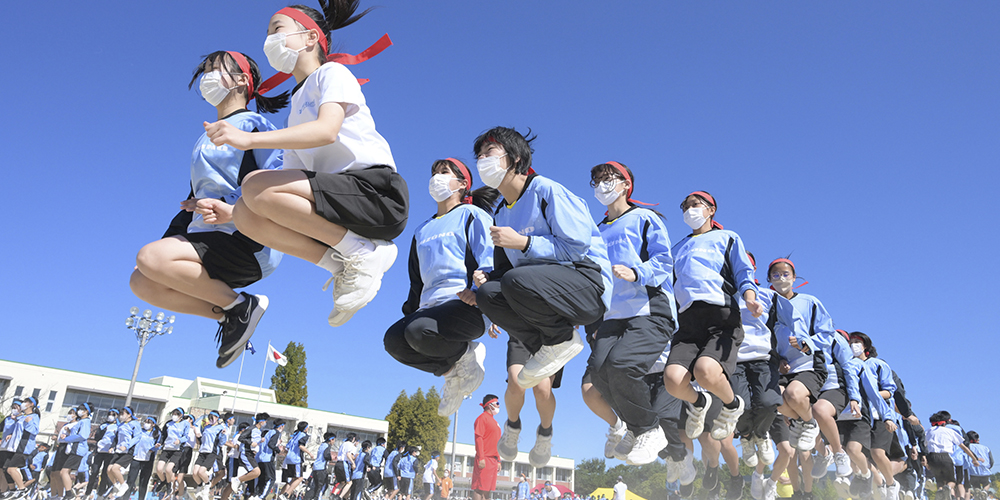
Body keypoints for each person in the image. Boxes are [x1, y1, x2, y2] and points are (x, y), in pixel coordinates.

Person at [207, 0, 407, 328]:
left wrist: (249, 140)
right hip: (337, 204)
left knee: (254, 185)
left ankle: (363, 253)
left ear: (311, 37)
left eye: (277, 29)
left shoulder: (333, 73)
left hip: (376, 194)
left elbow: (326, 131)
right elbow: (287, 178)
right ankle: (342, 265)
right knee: (245, 212)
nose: (268, 39)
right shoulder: (297, 103)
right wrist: (236, 212)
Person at [130, 51, 286, 368]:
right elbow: (201, 197)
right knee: (142, 281)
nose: (207, 76)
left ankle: (241, 306)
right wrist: (178, 227)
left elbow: (277, 185)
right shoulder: (206, 134)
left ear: (242, 80)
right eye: (206, 70)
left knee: (149, 257)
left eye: (215, 69)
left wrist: (234, 211)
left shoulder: (255, 126)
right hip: (207, 237)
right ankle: (232, 314)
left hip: (247, 240)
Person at [473, 127, 612, 468]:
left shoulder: (547, 190)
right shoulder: (501, 213)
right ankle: (548, 344)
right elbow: (504, 275)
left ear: (515, 159)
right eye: (479, 155)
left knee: (516, 280)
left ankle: (561, 339)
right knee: (489, 294)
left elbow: (576, 247)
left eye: (490, 152)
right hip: (539, 294)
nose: (482, 160)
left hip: (585, 286)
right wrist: (484, 278)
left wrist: (524, 242)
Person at [384, 158, 496, 416]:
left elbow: (490, 258)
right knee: (394, 341)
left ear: (463, 184)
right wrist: (410, 313)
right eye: (434, 172)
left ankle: (467, 355)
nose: (437, 177)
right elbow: (416, 279)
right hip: (429, 310)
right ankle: (452, 374)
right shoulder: (421, 230)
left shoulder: (472, 215)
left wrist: (485, 296)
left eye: (444, 172)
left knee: (418, 331)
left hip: (466, 305)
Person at [586, 161, 675, 465]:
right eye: (597, 180)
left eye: (608, 178)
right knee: (599, 372)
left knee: (622, 365)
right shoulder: (596, 231)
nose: (602, 184)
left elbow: (664, 261)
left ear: (626, 185)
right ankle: (635, 427)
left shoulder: (644, 218)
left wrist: (636, 272)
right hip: (612, 316)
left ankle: (650, 429)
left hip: (649, 308)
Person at [664, 191, 760, 442]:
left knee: (705, 371)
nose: (689, 210)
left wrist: (750, 297)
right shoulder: (677, 249)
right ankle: (699, 402)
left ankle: (731, 406)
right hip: (688, 321)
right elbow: (668, 286)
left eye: (695, 205)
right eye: (685, 206)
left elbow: (743, 272)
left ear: (711, 210)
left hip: (721, 316)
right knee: (673, 381)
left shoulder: (727, 237)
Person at [925, 412, 979, 500]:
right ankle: (948, 488)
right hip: (945, 457)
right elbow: (964, 447)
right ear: (944, 423)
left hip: (932, 457)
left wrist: (925, 460)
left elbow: (923, 446)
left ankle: (940, 490)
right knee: (952, 481)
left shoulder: (928, 431)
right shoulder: (949, 431)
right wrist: (974, 459)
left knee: (939, 480)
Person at [1, 396, 40, 499]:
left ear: (31, 404)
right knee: (6, 469)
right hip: (15, 447)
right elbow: (18, 430)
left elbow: (34, 431)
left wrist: (28, 423)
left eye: (26, 402)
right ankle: (12, 490)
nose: (23, 403)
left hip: (24, 446)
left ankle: (22, 489)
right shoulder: (22, 416)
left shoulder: (34, 416)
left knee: (11, 469)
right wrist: (11, 435)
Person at [52, 403, 92, 500]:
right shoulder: (81, 421)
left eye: (81, 409)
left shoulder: (86, 422)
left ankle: (69, 493)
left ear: (86, 411)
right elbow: (76, 433)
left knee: (63, 472)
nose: (79, 411)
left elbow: (83, 435)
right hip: (73, 449)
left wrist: (67, 439)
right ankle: (69, 493)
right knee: (64, 472)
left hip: (78, 450)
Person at [191, 411, 227, 500]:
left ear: (217, 418)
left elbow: (221, 443)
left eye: (213, 418)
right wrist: (198, 436)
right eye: (209, 418)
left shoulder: (220, 428)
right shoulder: (206, 427)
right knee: (195, 473)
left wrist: (223, 434)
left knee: (201, 472)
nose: (211, 420)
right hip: (202, 451)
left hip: (212, 452)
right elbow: (202, 440)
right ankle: (200, 486)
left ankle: (207, 485)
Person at [155, 407, 191, 495]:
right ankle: (163, 481)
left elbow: (186, 437)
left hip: (177, 450)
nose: (174, 416)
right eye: (173, 414)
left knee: (168, 469)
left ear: (181, 415)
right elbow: (163, 435)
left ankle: (169, 484)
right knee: (159, 469)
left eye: (176, 414)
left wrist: (180, 440)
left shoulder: (185, 424)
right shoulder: (168, 423)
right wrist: (160, 443)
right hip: (167, 448)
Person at [471, 395, 501, 500]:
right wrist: (481, 458)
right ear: (489, 405)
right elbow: (479, 438)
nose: (499, 406)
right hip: (485, 458)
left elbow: (497, 442)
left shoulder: (495, 422)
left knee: (487, 490)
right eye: (497, 403)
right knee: (479, 489)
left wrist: (498, 460)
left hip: (493, 459)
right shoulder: (482, 418)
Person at [86, 407, 119, 499]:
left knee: (105, 473)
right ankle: (88, 491)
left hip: (110, 452)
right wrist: (103, 431)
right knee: (94, 471)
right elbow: (97, 437)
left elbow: (117, 439)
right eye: (109, 414)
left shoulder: (118, 427)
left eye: (113, 415)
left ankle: (101, 493)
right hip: (100, 451)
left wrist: (113, 447)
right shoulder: (103, 425)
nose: (110, 416)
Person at [125, 416, 161, 500]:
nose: (146, 424)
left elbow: (159, 445)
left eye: (149, 422)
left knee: (143, 482)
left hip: (148, 460)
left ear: (153, 424)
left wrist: (154, 448)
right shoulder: (140, 431)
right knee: (130, 480)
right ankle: (125, 498)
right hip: (136, 458)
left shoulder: (157, 433)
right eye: (146, 421)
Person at [280, 421, 313, 500]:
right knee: (300, 478)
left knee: (293, 479)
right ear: (305, 428)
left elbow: (286, 449)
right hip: (296, 459)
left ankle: (281, 496)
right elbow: (301, 446)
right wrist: (309, 453)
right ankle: (286, 494)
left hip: (288, 459)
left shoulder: (295, 435)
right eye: (307, 427)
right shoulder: (304, 435)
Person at [254, 418, 284, 499]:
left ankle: (256, 494)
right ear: (281, 426)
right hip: (267, 458)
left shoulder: (269, 432)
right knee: (271, 479)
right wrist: (278, 450)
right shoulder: (276, 433)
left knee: (262, 478)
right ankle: (261, 497)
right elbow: (271, 444)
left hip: (260, 458)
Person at [307, 433, 336, 500]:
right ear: (331, 440)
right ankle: (316, 498)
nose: (334, 442)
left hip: (316, 467)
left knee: (316, 485)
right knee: (323, 485)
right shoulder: (327, 446)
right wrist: (331, 458)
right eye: (334, 440)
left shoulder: (322, 445)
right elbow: (326, 455)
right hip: (321, 468)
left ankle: (313, 497)